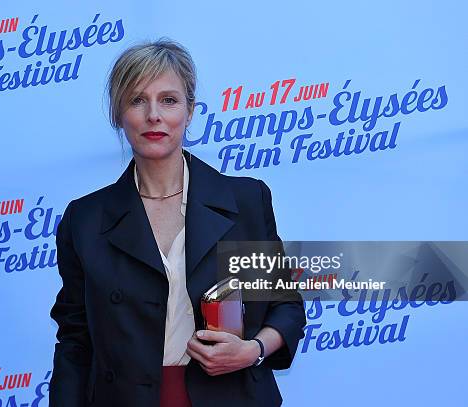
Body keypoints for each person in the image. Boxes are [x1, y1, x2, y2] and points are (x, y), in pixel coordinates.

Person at [49, 39, 306, 407]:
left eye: (169, 100)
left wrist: (253, 350)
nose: (154, 115)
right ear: (119, 114)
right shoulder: (86, 219)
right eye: (137, 100)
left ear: (190, 111)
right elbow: (75, 340)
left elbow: (286, 306)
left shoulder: (244, 201)